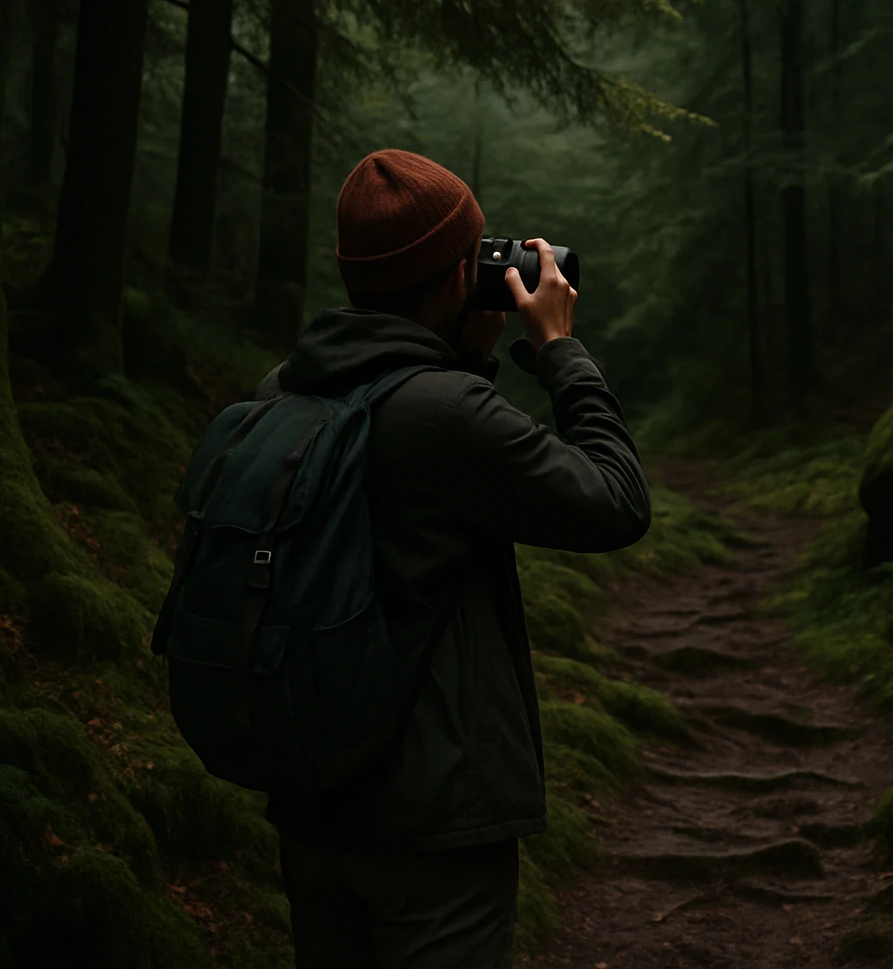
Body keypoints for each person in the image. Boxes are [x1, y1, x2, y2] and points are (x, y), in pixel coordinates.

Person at [255, 149, 651, 967]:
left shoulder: (281, 392)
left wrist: (460, 351)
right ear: (454, 277)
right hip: (435, 827)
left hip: (313, 806)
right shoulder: (448, 413)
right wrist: (558, 350)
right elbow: (617, 501)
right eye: (475, 256)